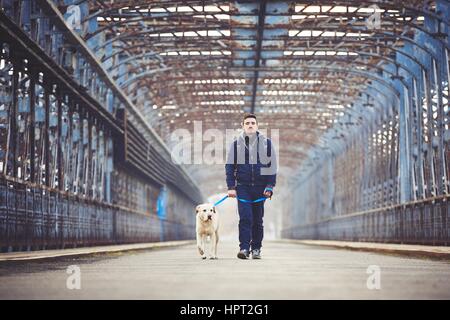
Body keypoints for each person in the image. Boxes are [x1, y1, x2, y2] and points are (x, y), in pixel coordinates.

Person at [225, 113, 277, 259]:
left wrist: (270, 186)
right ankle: (244, 248)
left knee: (257, 219)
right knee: (245, 218)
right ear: (243, 126)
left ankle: (256, 249)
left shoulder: (267, 144)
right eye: (247, 123)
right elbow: (229, 166)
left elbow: (272, 166)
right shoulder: (236, 145)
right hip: (243, 187)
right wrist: (231, 187)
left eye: (252, 123)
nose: (250, 125)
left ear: (257, 126)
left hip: (261, 188)